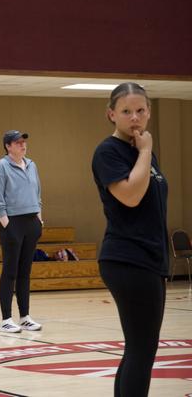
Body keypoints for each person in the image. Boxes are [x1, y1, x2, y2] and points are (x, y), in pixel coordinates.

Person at [92, 82, 168, 397]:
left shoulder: (140, 151)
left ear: (149, 112)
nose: (134, 117)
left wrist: (145, 152)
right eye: (126, 111)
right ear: (111, 114)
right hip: (128, 259)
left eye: (140, 110)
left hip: (149, 260)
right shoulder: (108, 151)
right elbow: (131, 196)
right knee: (142, 349)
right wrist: (146, 151)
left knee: (138, 348)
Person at [0, 130, 43, 333]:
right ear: (8, 146)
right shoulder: (1, 166)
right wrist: (7, 224)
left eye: (23, 142)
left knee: (25, 272)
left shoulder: (32, 165)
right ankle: (6, 319)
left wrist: (39, 219)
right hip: (12, 223)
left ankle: (25, 317)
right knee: (10, 271)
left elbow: (38, 194)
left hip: (31, 222)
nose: (23, 145)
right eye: (18, 142)